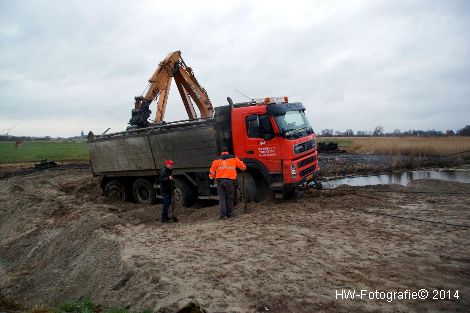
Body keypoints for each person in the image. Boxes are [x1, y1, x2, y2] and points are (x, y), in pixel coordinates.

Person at [209, 151, 246, 219]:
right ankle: (230, 214)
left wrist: (211, 180)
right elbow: (243, 167)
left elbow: (212, 171)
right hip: (229, 182)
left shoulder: (216, 160)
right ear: (228, 153)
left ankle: (223, 216)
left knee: (222, 198)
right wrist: (242, 164)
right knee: (229, 198)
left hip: (220, 182)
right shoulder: (233, 158)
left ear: (221, 154)